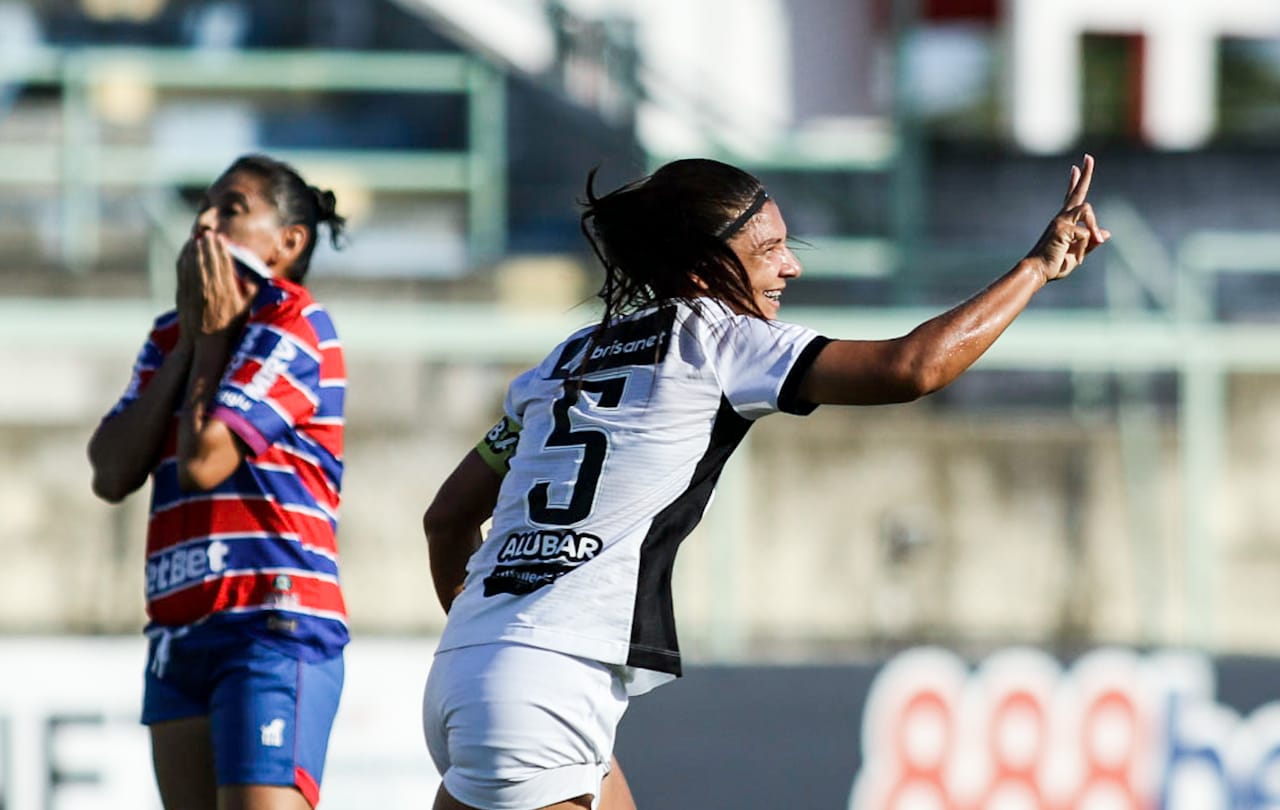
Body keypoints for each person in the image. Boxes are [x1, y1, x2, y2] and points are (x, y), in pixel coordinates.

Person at [421, 154, 1110, 810]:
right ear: (700, 269)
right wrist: (1037, 267)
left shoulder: (565, 360)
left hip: (471, 668)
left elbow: (446, 520)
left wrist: (493, 649)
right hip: (546, 685)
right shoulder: (722, 339)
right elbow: (913, 367)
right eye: (770, 249)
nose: (791, 265)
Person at [88, 154, 350, 810]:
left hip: (269, 621)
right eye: (204, 205)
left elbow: (207, 459)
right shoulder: (170, 332)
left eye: (231, 208)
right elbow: (111, 471)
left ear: (288, 241)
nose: (204, 220)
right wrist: (186, 348)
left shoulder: (294, 322)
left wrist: (206, 343)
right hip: (179, 629)